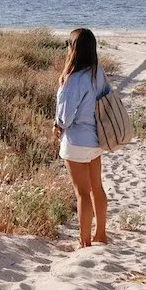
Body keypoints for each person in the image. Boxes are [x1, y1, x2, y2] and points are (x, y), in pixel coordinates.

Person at [54, 28, 109, 246]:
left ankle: (84, 241)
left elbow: (65, 117)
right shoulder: (98, 73)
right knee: (97, 187)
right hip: (96, 138)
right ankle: (101, 234)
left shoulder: (73, 79)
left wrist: (57, 125)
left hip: (76, 140)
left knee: (82, 193)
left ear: (73, 49)